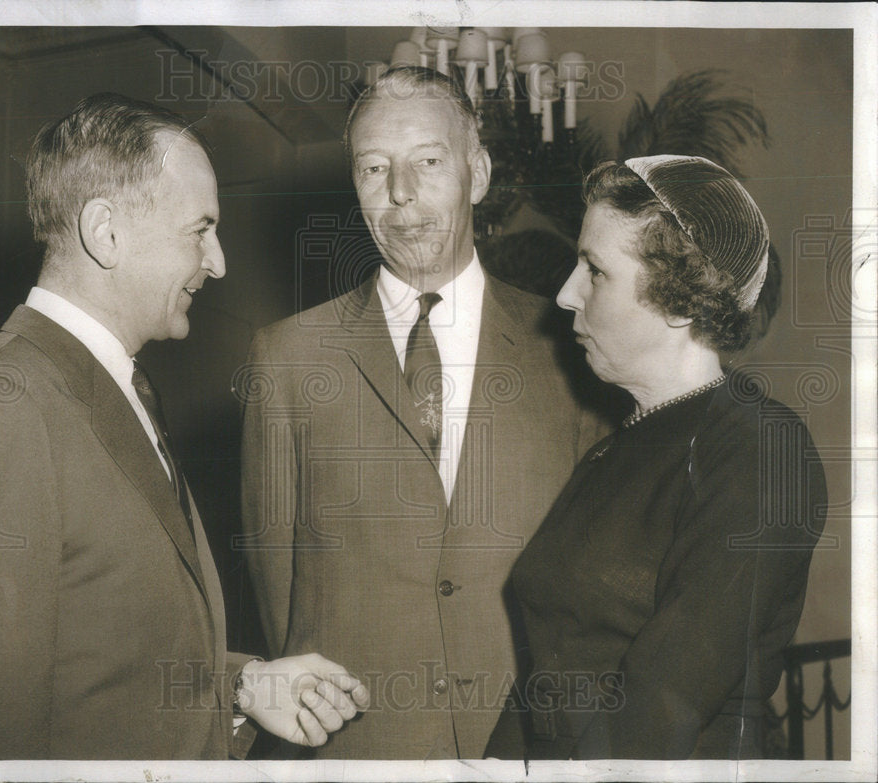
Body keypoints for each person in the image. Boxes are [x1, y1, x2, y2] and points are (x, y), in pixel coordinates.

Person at [0, 93, 367, 760]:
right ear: (106, 231)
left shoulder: (105, 388)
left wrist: (242, 682)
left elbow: (98, 652)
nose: (218, 261)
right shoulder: (1, 408)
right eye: (199, 229)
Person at [237, 67, 604, 759]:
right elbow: (277, 595)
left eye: (427, 162)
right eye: (374, 168)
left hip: (530, 752)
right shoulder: (286, 359)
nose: (400, 193)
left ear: (480, 172)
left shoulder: (572, 349)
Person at [485, 155, 829, 760]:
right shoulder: (610, 450)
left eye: (595, 271)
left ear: (681, 301)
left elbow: (663, 703)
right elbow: (543, 685)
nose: (565, 293)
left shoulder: (759, 446)